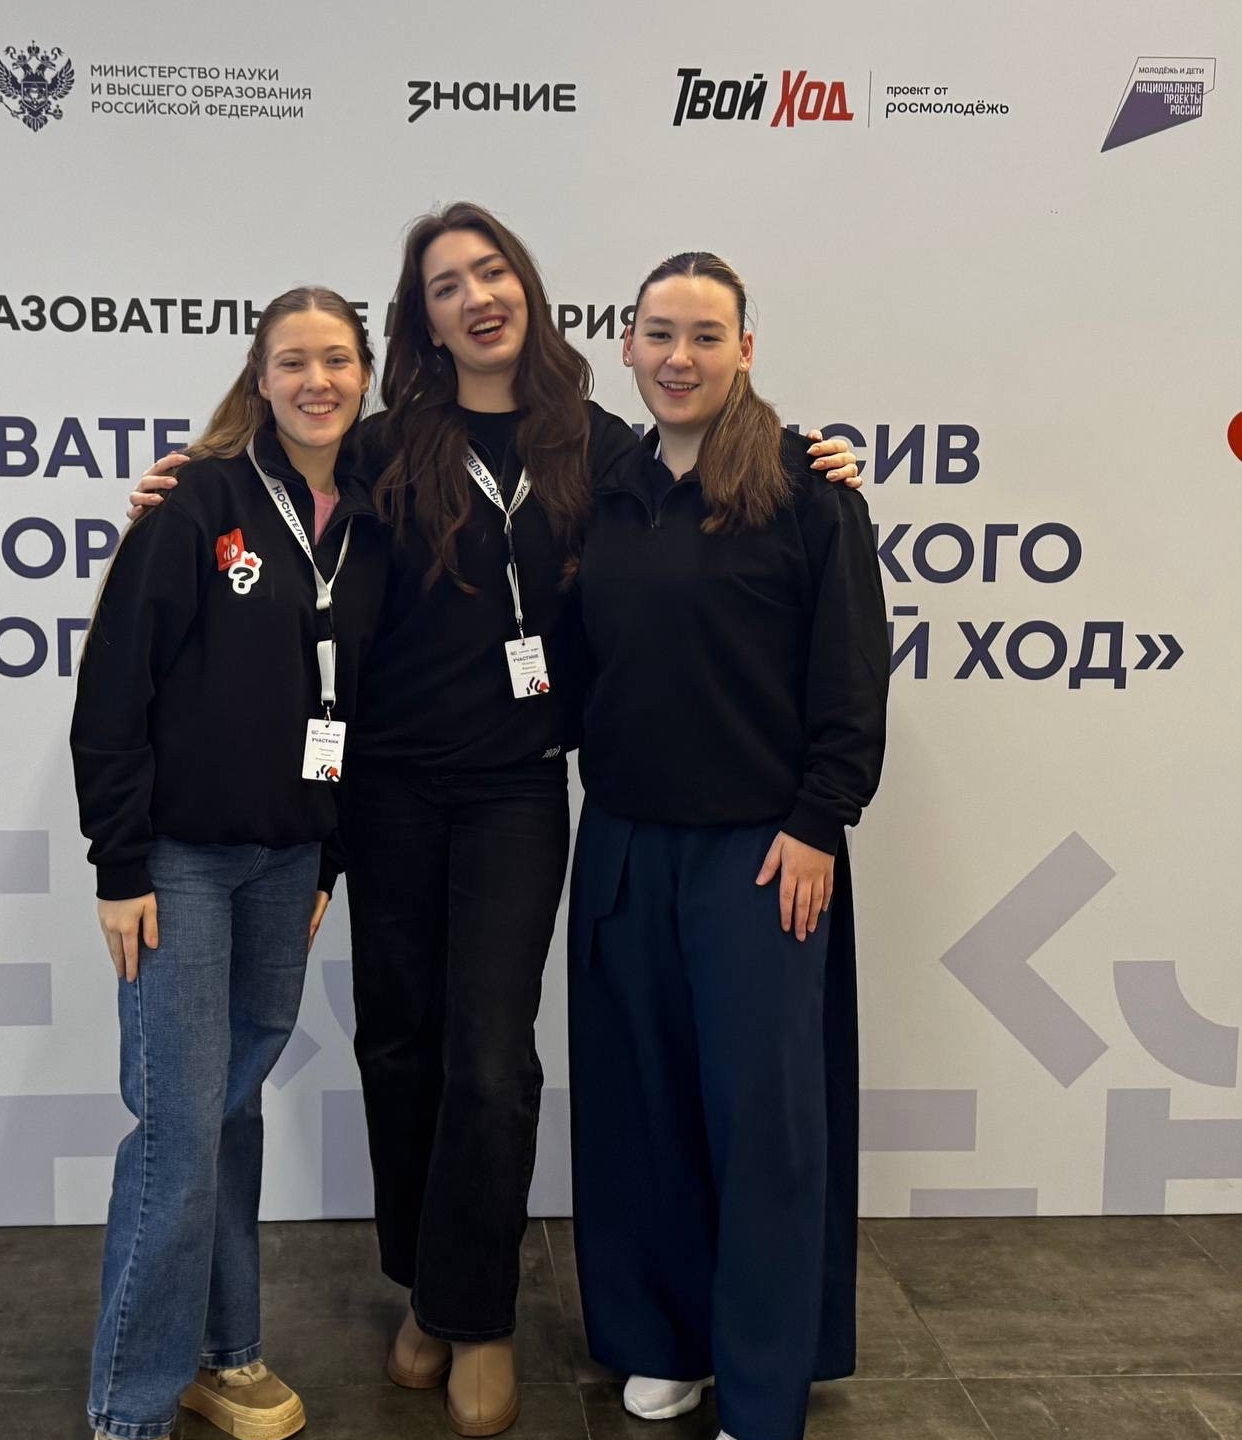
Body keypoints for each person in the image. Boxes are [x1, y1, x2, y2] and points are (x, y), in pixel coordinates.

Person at [131, 203, 860, 1437]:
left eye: (490, 272)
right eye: (443, 285)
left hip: (517, 789)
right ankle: (425, 1286)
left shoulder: (603, 447)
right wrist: (186, 482)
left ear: (526, 287)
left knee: (488, 1058)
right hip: (381, 790)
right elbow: (272, 504)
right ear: (420, 320)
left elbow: (716, 464)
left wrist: (817, 456)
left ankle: (478, 1318)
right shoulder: (379, 447)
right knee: (398, 1048)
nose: (474, 297)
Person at [565, 252, 888, 1440]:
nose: (679, 357)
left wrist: (818, 819)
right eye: (659, 334)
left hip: (762, 852)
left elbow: (850, 670)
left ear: (745, 349)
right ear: (626, 344)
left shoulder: (808, 489)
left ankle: (759, 1385)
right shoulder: (602, 489)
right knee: (641, 1108)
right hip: (623, 843)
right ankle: (666, 1343)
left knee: (763, 1126)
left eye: (705, 336)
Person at [69, 286, 386, 1440]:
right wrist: (120, 866)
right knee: (177, 1133)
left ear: (365, 375)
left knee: (227, 1113)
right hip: (181, 867)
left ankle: (226, 1354)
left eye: (336, 360)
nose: (316, 381)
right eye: (292, 361)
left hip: (287, 863)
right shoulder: (198, 498)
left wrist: (326, 863)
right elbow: (115, 685)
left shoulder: (370, 521)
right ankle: (129, 1406)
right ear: (259, 379)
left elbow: (355, 707)